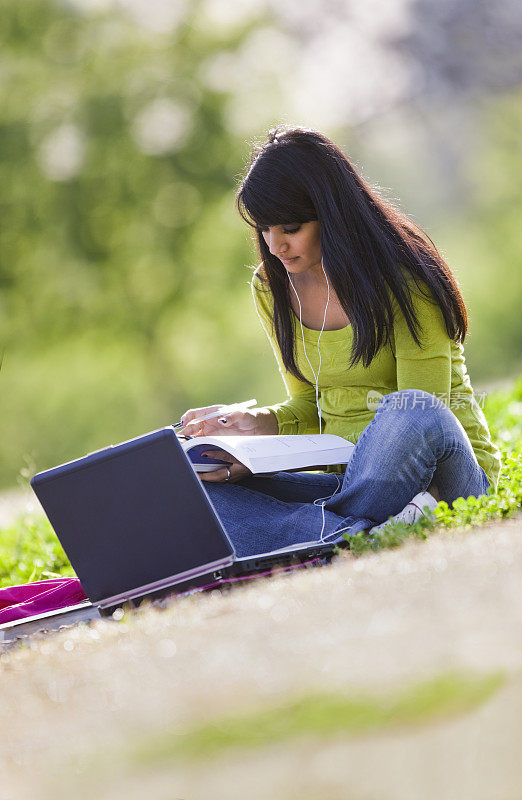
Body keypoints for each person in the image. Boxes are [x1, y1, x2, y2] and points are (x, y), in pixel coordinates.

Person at [180, 126, 500, 557]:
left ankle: (319, 529)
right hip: (346, 482)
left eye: (290, 227)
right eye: (264, 230)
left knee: (412, 412)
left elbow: (421, 411)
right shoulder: (272, 288)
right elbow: (310, 404)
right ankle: (358, 528)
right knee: (197, 494)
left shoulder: (405, 276)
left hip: (444, 474)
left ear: (330, 213)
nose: (275, 245)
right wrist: (250, 431)